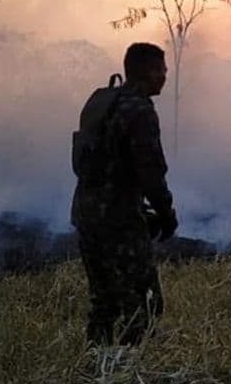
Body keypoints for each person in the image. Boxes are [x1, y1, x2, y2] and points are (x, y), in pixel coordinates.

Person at [71, 42, 177, 346]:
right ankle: (129, 380)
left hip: (87, 215)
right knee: (143, 304)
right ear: (145, 71)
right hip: (119, 222)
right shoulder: (140, 110)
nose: (165, 75)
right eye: (160, 68)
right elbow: (152, 174)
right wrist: (166, 215)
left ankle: (96, 372)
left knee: (103, 303)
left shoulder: (105, 103)